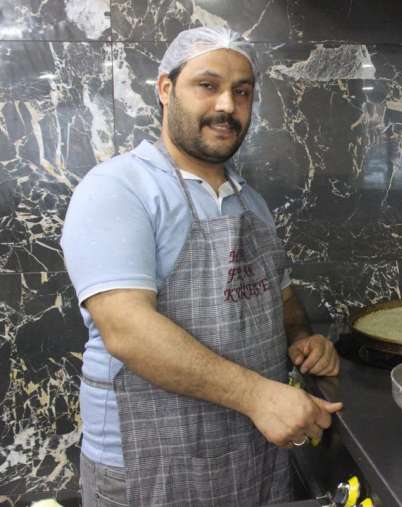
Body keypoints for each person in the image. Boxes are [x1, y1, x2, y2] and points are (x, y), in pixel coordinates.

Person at [61, 26, 342, 506]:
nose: (227, 107)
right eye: (207, 85)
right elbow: (127, 329)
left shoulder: (249, 201)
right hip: (148, 464)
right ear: (167, 90)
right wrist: (259, 396)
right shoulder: (119, 188)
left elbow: (280, 298)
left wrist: (302, 340)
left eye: (242, 92)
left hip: (253, 454)